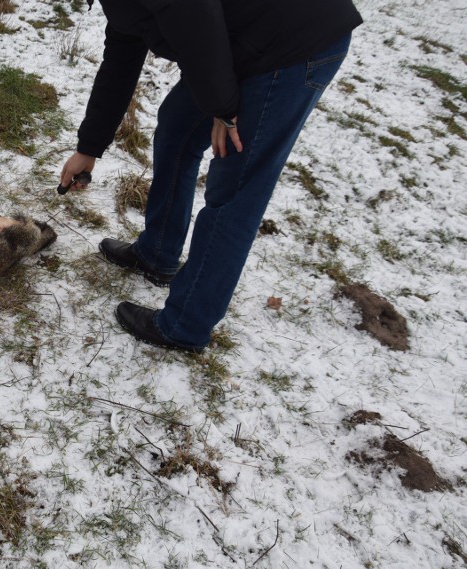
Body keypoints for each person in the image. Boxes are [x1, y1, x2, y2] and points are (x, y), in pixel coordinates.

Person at [60, 0, 363, 353]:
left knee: (235, 187)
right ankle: (158, 252)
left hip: (292, 42)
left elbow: (195, 14)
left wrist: (225, 110)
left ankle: (185, 324)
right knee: (178, 128)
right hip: (237, 39)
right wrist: (89, 147)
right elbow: (123, 53)